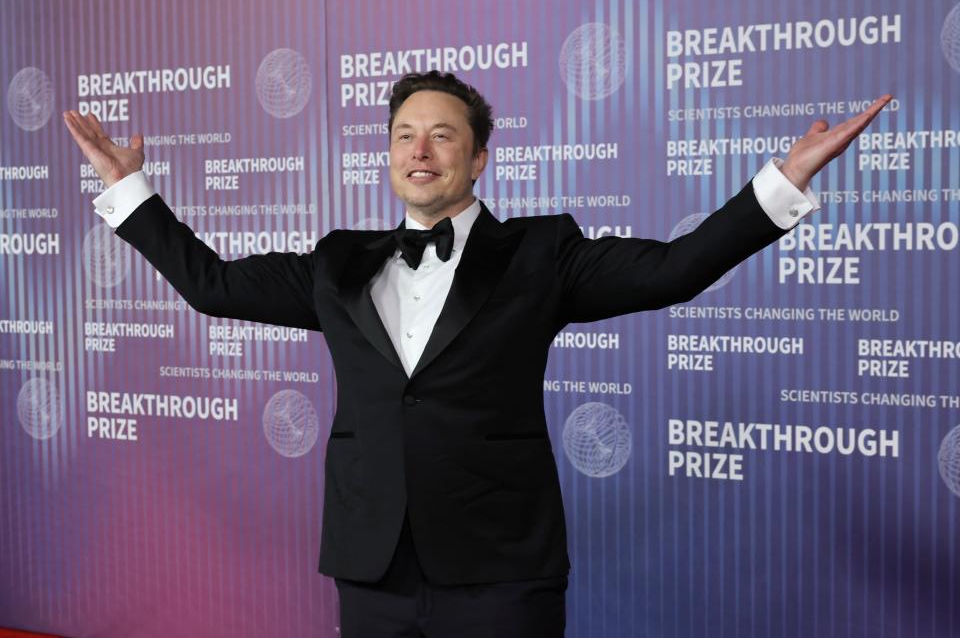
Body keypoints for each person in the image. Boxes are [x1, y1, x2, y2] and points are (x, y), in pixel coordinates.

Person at [63, 70, 891, 638]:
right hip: (372, 569)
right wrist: (130, 190)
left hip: (500, 574)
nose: (420, 151)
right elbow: (211, 284)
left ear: (478, 157)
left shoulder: (541, 253)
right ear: (388, 154)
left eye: (442, 136)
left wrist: (782, 180)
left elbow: (675, 270)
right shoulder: (336, 263)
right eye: (404, 135)